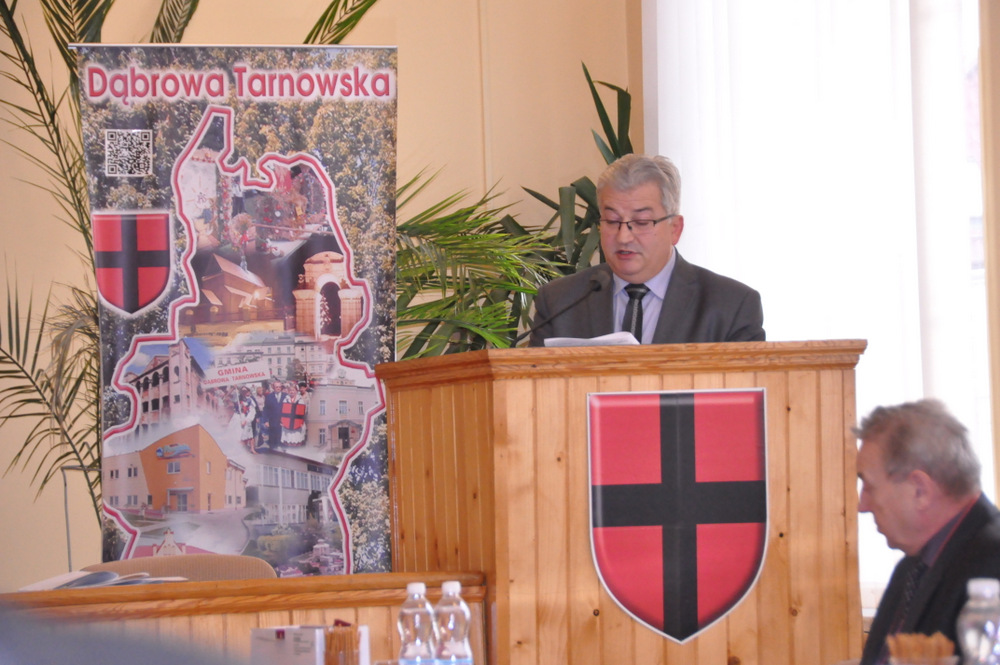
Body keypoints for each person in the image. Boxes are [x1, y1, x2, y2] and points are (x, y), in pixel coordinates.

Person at [528, 154, 764, 346]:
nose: (623, 237)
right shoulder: (560, 302)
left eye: (641, 222)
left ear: (675, 229)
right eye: (612, 221)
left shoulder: (731, 306)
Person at [856, 399, 1000, 664]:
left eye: (869, 487)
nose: (861, 505)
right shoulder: (912, 567)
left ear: (920, 490)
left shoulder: (993, 563)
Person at [262, 380, 286, 450]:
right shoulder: (269, 396)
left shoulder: (286, 396)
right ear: (273, 387)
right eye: (276, 387)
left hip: (283, 420)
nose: (278, 388)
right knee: (273, 436)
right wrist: (266, 421)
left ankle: (282, 448)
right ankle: (273, 450)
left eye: (279, 387)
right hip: (273, 420)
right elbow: (266, 409)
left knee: (282, 435)